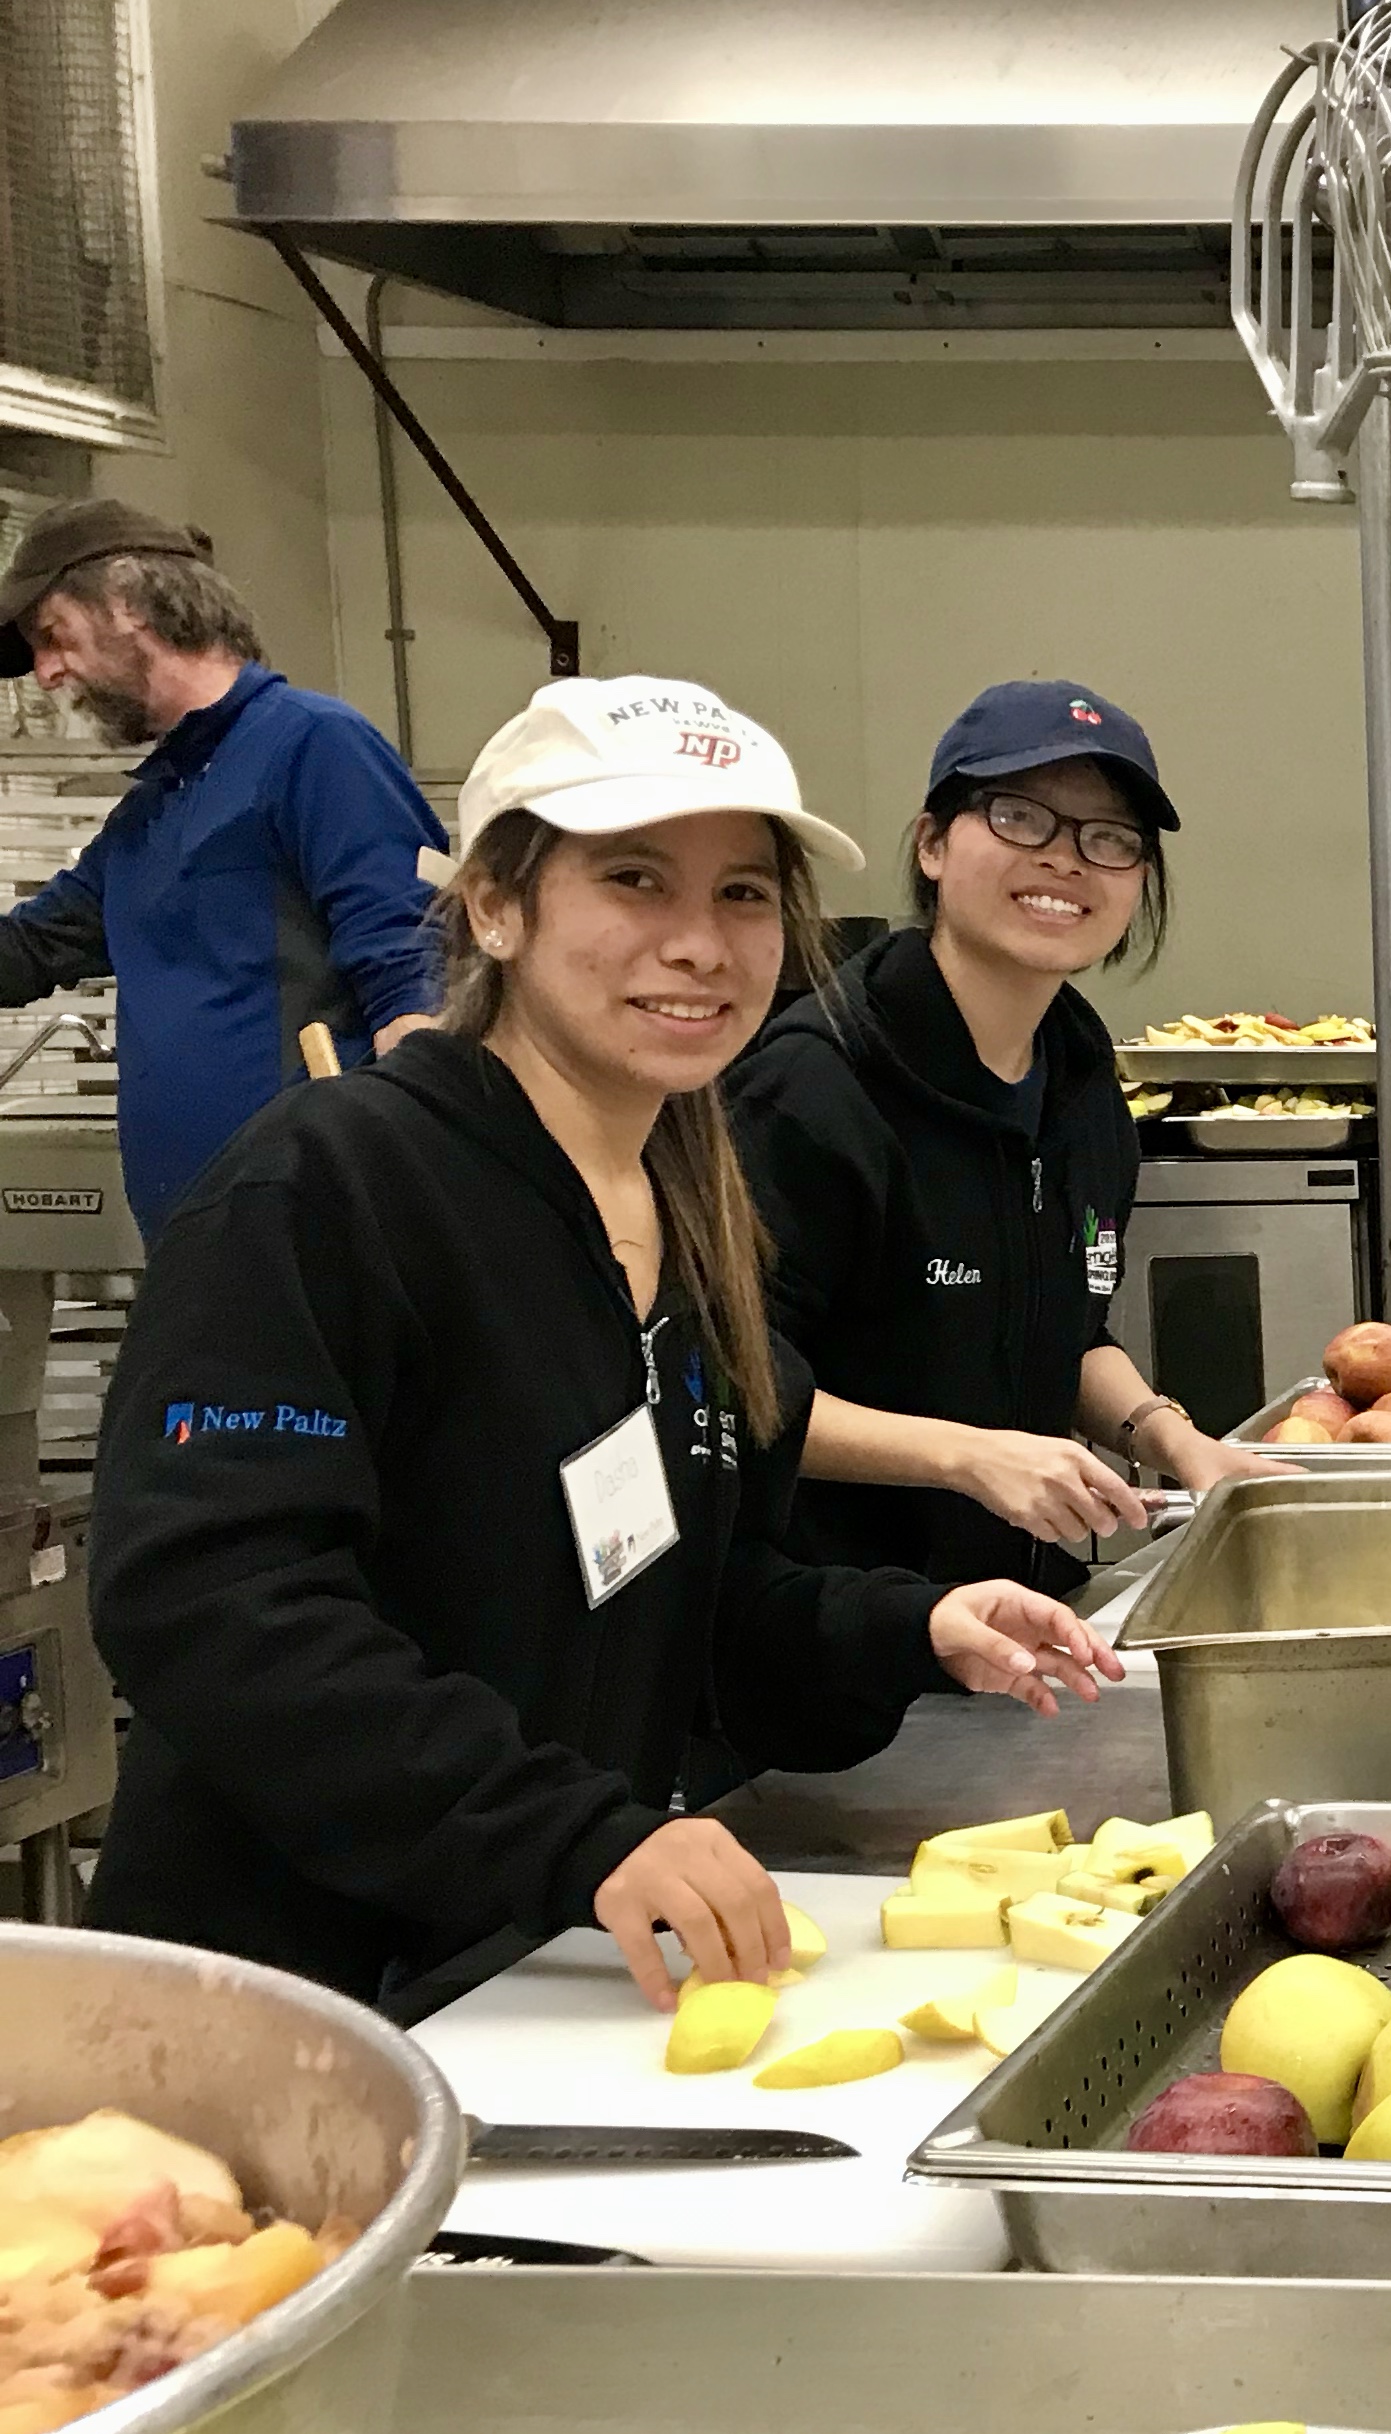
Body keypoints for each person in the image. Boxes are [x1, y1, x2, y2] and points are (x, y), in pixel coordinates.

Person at [82, 675, 1122, 2018]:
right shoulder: (332, 1186)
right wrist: (577, 1832)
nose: (699, 943)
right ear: (496, 906)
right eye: (636, 879)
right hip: (288, 2003)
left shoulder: (684, 1209)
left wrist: (908, 1623)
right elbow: (215, 1613)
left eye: (744, 894)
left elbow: (675, 1592)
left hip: (527, 1981)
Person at [727, 679, 1279, 1605]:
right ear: (933, 843)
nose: (1067, 860)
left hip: (1015, 1620)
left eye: (1110, 839)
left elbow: (1064, 1330)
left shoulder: (1082, 1084)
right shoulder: (813, 1088)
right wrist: (963, 1456)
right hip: (837, 1636)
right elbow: (733, 1394)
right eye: (1021, 817)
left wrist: (1172, 1440)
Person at [0, 499, 448, 1227]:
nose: (46, 673)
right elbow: (24, 950)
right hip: (196, 1244)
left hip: (316, 1226)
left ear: (127, 604)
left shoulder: (314, 746)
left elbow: (412, 977)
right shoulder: (148, 815)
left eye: (53, 637)